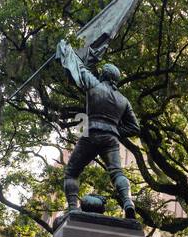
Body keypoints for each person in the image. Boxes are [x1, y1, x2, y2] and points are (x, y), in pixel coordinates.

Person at [53, 38, 139, 218]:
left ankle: (73, 208)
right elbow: (134, 127)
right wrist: (115, 131)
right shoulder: (124, 100)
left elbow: (78, 67)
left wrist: (66, 47)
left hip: (90, 133)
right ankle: (128, 203)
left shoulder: (94, 84)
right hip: (111, 139)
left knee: (71, 172)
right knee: (117, 173)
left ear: (104, 75)